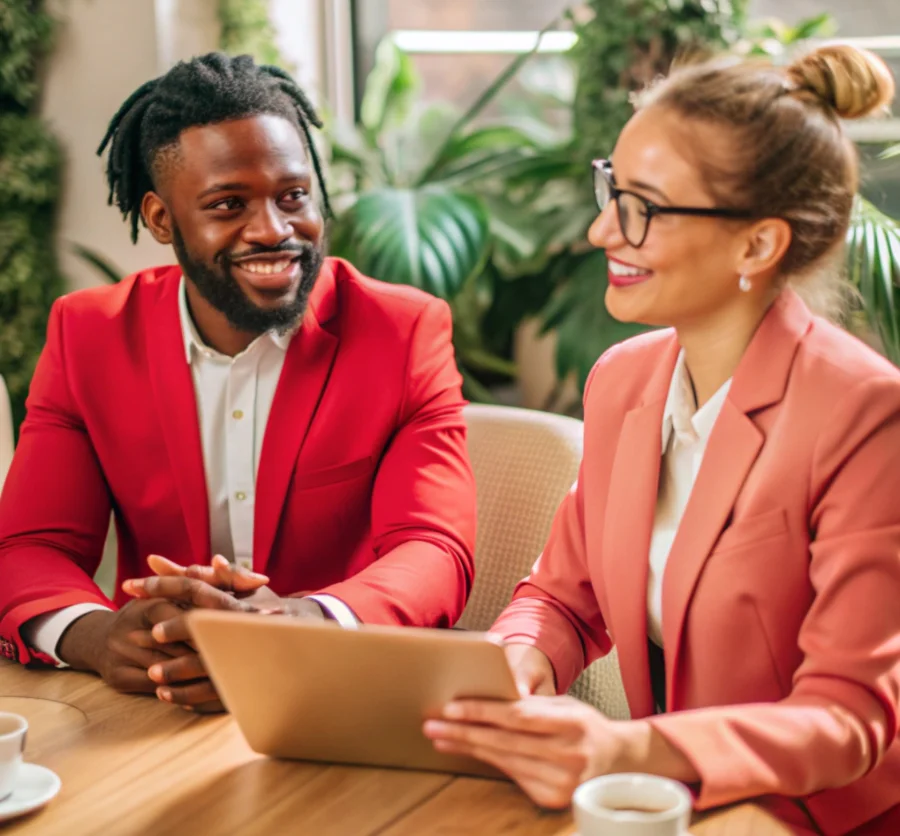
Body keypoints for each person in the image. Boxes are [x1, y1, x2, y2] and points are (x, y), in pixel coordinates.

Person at [424, 45, 900, 834]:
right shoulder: (623, 381)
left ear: (757, 245)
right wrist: (519, 657)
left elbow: (848, 715)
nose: (599, 227)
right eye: (611, 186)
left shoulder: (864, 414)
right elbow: (562, 599)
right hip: (663, 808)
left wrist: (631, 751)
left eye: (642, 205)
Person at [0, 53, 476, 714]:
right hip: (156, 706)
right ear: (162, 219)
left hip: (340, 696)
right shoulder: (89, 337)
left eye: (293, 196)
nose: (274, 231)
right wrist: (98, 635)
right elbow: (31, 547)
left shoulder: (402, 333)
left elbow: (434, 548)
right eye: (230, 204)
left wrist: (306, 622)